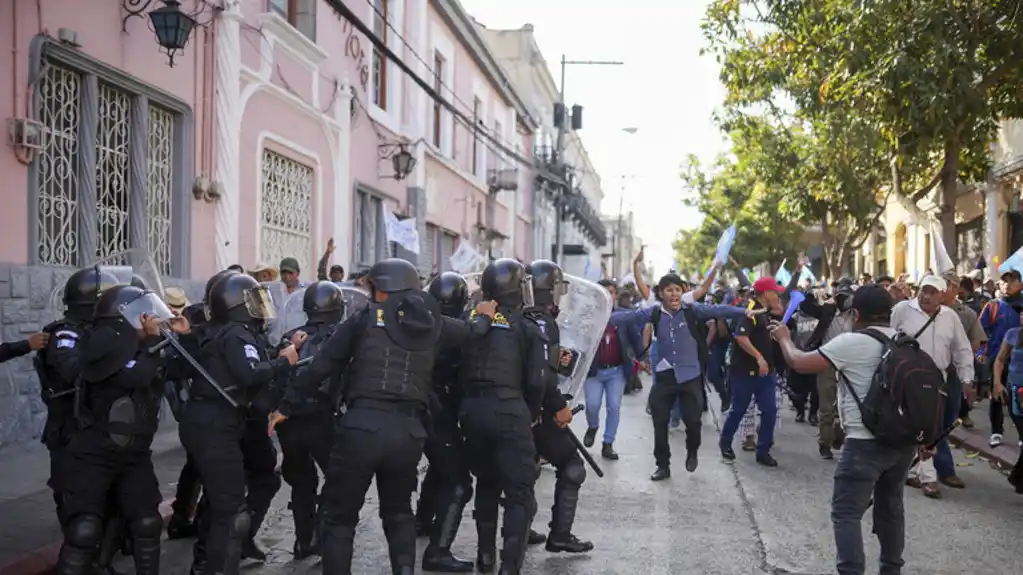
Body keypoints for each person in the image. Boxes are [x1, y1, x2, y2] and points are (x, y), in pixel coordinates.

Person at [268, 258, 493, 575]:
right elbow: (473, 333)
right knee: (399, 514)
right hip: (408, 433)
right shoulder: (433, 323)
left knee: (340, 516)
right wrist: (485, 315)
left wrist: (284, 408)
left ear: (386, 288)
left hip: (362, 428)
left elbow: (320, 367)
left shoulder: (362, 320)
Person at [770, 285, 915, 575]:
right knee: (891, 509)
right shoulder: (905, 341)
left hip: (864, 444)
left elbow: (799, 362)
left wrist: (784, 338)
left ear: (855, 314)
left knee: (846, 513)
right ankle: (891, 570)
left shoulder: (851, 342)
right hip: (901, 443)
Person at [55, 284, 194, 575]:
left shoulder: (142, 346)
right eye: (141, 314)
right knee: (84, 529)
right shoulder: (103, 344)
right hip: (94, 452)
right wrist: (152, 343)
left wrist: (185, 336)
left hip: (135, 454)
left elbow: (182, 367)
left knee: (147, 522)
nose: (149, 319)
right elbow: (136, 374)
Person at [180, 273, 298, 575]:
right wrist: (284, 363)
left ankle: (209, 561)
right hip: (216, 424)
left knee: (227, 500)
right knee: (231, 509)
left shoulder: (221, 331)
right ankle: (212, 564)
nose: (259, 307)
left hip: (218, 422)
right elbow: (248, 373)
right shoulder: (235, 333)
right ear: (237, 305)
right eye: (253, 301)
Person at [611, 272, 757, 479]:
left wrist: (743, 312)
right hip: (664, 376)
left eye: (678, 290)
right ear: (661, 294)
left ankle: (692, 451)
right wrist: (601, 317)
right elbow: (627, 316)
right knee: (659, 423)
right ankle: (663, 465)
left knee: (693, 422)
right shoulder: (654, 313)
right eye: (669, 290)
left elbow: (717, 309)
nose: (674, 294)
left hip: (690, 376)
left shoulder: (692, 310)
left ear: (682, 292)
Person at [456, 258, 547, 574]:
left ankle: (485, 557)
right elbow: (537, 381)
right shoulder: (527, 327)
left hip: (473, 412)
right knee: (519, 493)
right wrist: (532, 414)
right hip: (509, 411)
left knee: (486, 482)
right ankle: (509, 566)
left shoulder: (472, 321)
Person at [523, 259, 593, 554]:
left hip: (509, 411)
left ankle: (518, 528)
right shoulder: (544, 323)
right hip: (538, 411)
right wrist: (556, 407)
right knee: (572, 467)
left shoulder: (511, 316)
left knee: (523, 471)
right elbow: (543, 376)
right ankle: (560, 535)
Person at [275, 281, 346, 558]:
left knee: (302, 482)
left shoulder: (290, 337)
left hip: (289, 423)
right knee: (337, 477)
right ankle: (320, 532)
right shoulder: (339, 339)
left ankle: (303, 540)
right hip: (322, 420)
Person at [894, 275, 973, 499]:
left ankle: (923, 474)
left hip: (936, 380)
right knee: (908, 424)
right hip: (904, 378)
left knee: (930, 427)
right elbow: (887, 337)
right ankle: (919, 474)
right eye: (923, 290)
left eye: (931, 292)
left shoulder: (950, 317)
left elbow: (962, 349)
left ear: (941, 295)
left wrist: (967, 379)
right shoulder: (902, 310)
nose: (925, 296)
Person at [419, 271, 476, 572]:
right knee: (459, 484)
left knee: (440, 468)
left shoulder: (417, 324)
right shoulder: (455, 331)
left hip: (417, 412)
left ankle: (421, 519)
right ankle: (437, 552)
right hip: (437, 412)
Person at [719, 277, 785, 467]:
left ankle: (763, 451)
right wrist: (759, 357)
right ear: (766, 293)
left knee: (769, 411)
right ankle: (725, 442)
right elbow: (741, 337)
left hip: (766, 373)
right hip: (744, 371)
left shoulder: (765, 312)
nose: (778, 295)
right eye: (775, 292)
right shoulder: (750, 310)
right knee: (739, 409)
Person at [583, 278, 643, 460]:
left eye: (611, 291)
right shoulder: (589, 316)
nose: (608, 295)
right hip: (594, 372)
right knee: (592, 405)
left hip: (616, 372)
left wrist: (643, 358)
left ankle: (608, 443)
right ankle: (592, 426)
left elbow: (636, 339)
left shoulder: (624, 317)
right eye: (604, 291)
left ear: (616, 295)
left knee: (614, 406)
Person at [979, 269, 1023, 448]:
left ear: (1020, 284)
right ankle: (996, 432)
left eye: (1012, 281)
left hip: (1019, 363)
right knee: (996, 395)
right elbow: (980, 331)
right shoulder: (992, 306)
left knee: (1018, 398)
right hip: (997, 359)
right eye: (1004, 281)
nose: (1007, 284)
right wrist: (981, 352)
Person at [991, 302, 1023, 494]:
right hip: (1015, 392)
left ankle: (1018, 479)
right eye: (1022, 313)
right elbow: (1000, 359)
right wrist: (997, 382)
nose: (1022, 317)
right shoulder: (1013, 334)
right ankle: (1017, 478)